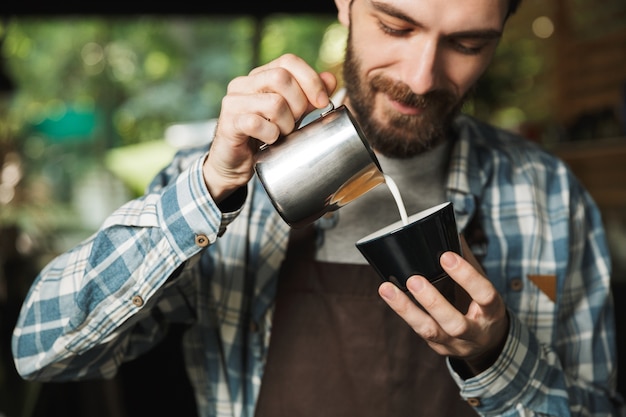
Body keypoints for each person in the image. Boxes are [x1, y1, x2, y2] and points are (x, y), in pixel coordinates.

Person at [11, 0, 624, 415]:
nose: (422, 75)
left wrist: (496, 356)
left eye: (466, 43)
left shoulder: (545, 194)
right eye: (396, 26)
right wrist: (207, 188)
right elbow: (40, 349)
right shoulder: (231, 174)